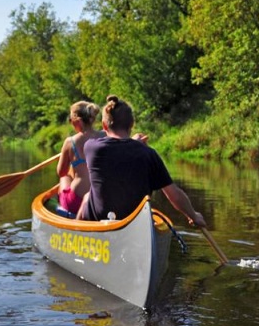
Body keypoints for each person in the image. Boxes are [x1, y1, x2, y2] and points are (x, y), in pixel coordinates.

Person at [77, 95, 206, 229]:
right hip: (135, 223)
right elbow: (174, 194)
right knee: (88, 195)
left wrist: (133, 142)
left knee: (87, 197)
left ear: (104, 125)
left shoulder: (91, 148)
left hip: (100, 220)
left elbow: (118, 149)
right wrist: (193, 215)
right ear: (132, 124)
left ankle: (77, 235)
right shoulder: (148, 154)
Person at [55, 101, 104, 218]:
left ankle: (63, 204)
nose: (71, 123)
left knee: (65, 177)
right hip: (100, 200)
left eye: (70, 120)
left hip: (76, 202)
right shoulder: (105, 135)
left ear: (77, 121)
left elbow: (61, 172)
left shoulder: (70, 142)